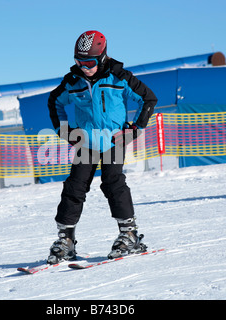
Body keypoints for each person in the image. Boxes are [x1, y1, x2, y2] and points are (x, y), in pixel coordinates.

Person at [47, 30, 157, 264]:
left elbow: (148, 99)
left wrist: (133, 129)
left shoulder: (120, 78)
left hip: (113, 141)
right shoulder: (72, 82)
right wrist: (65, 132)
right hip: (86, 142)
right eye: (79, 62)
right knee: (74, 187)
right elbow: (54, 101)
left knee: (113, 183)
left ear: (103, 57)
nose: (84, 67)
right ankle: (65, 240)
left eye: (89, 62)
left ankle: (129, 235)